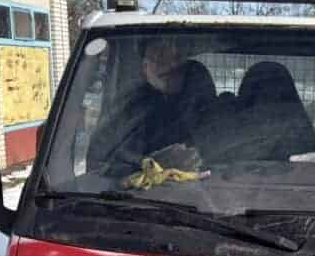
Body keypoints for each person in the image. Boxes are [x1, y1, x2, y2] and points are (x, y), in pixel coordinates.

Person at [86, 38, 217, 173]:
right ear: (145, 67)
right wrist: (149, 163)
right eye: (158, 57)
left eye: (176, 57)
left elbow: (222, 158)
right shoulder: (129, 108)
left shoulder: (211, 113)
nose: (169, 65)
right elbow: (100, 161)